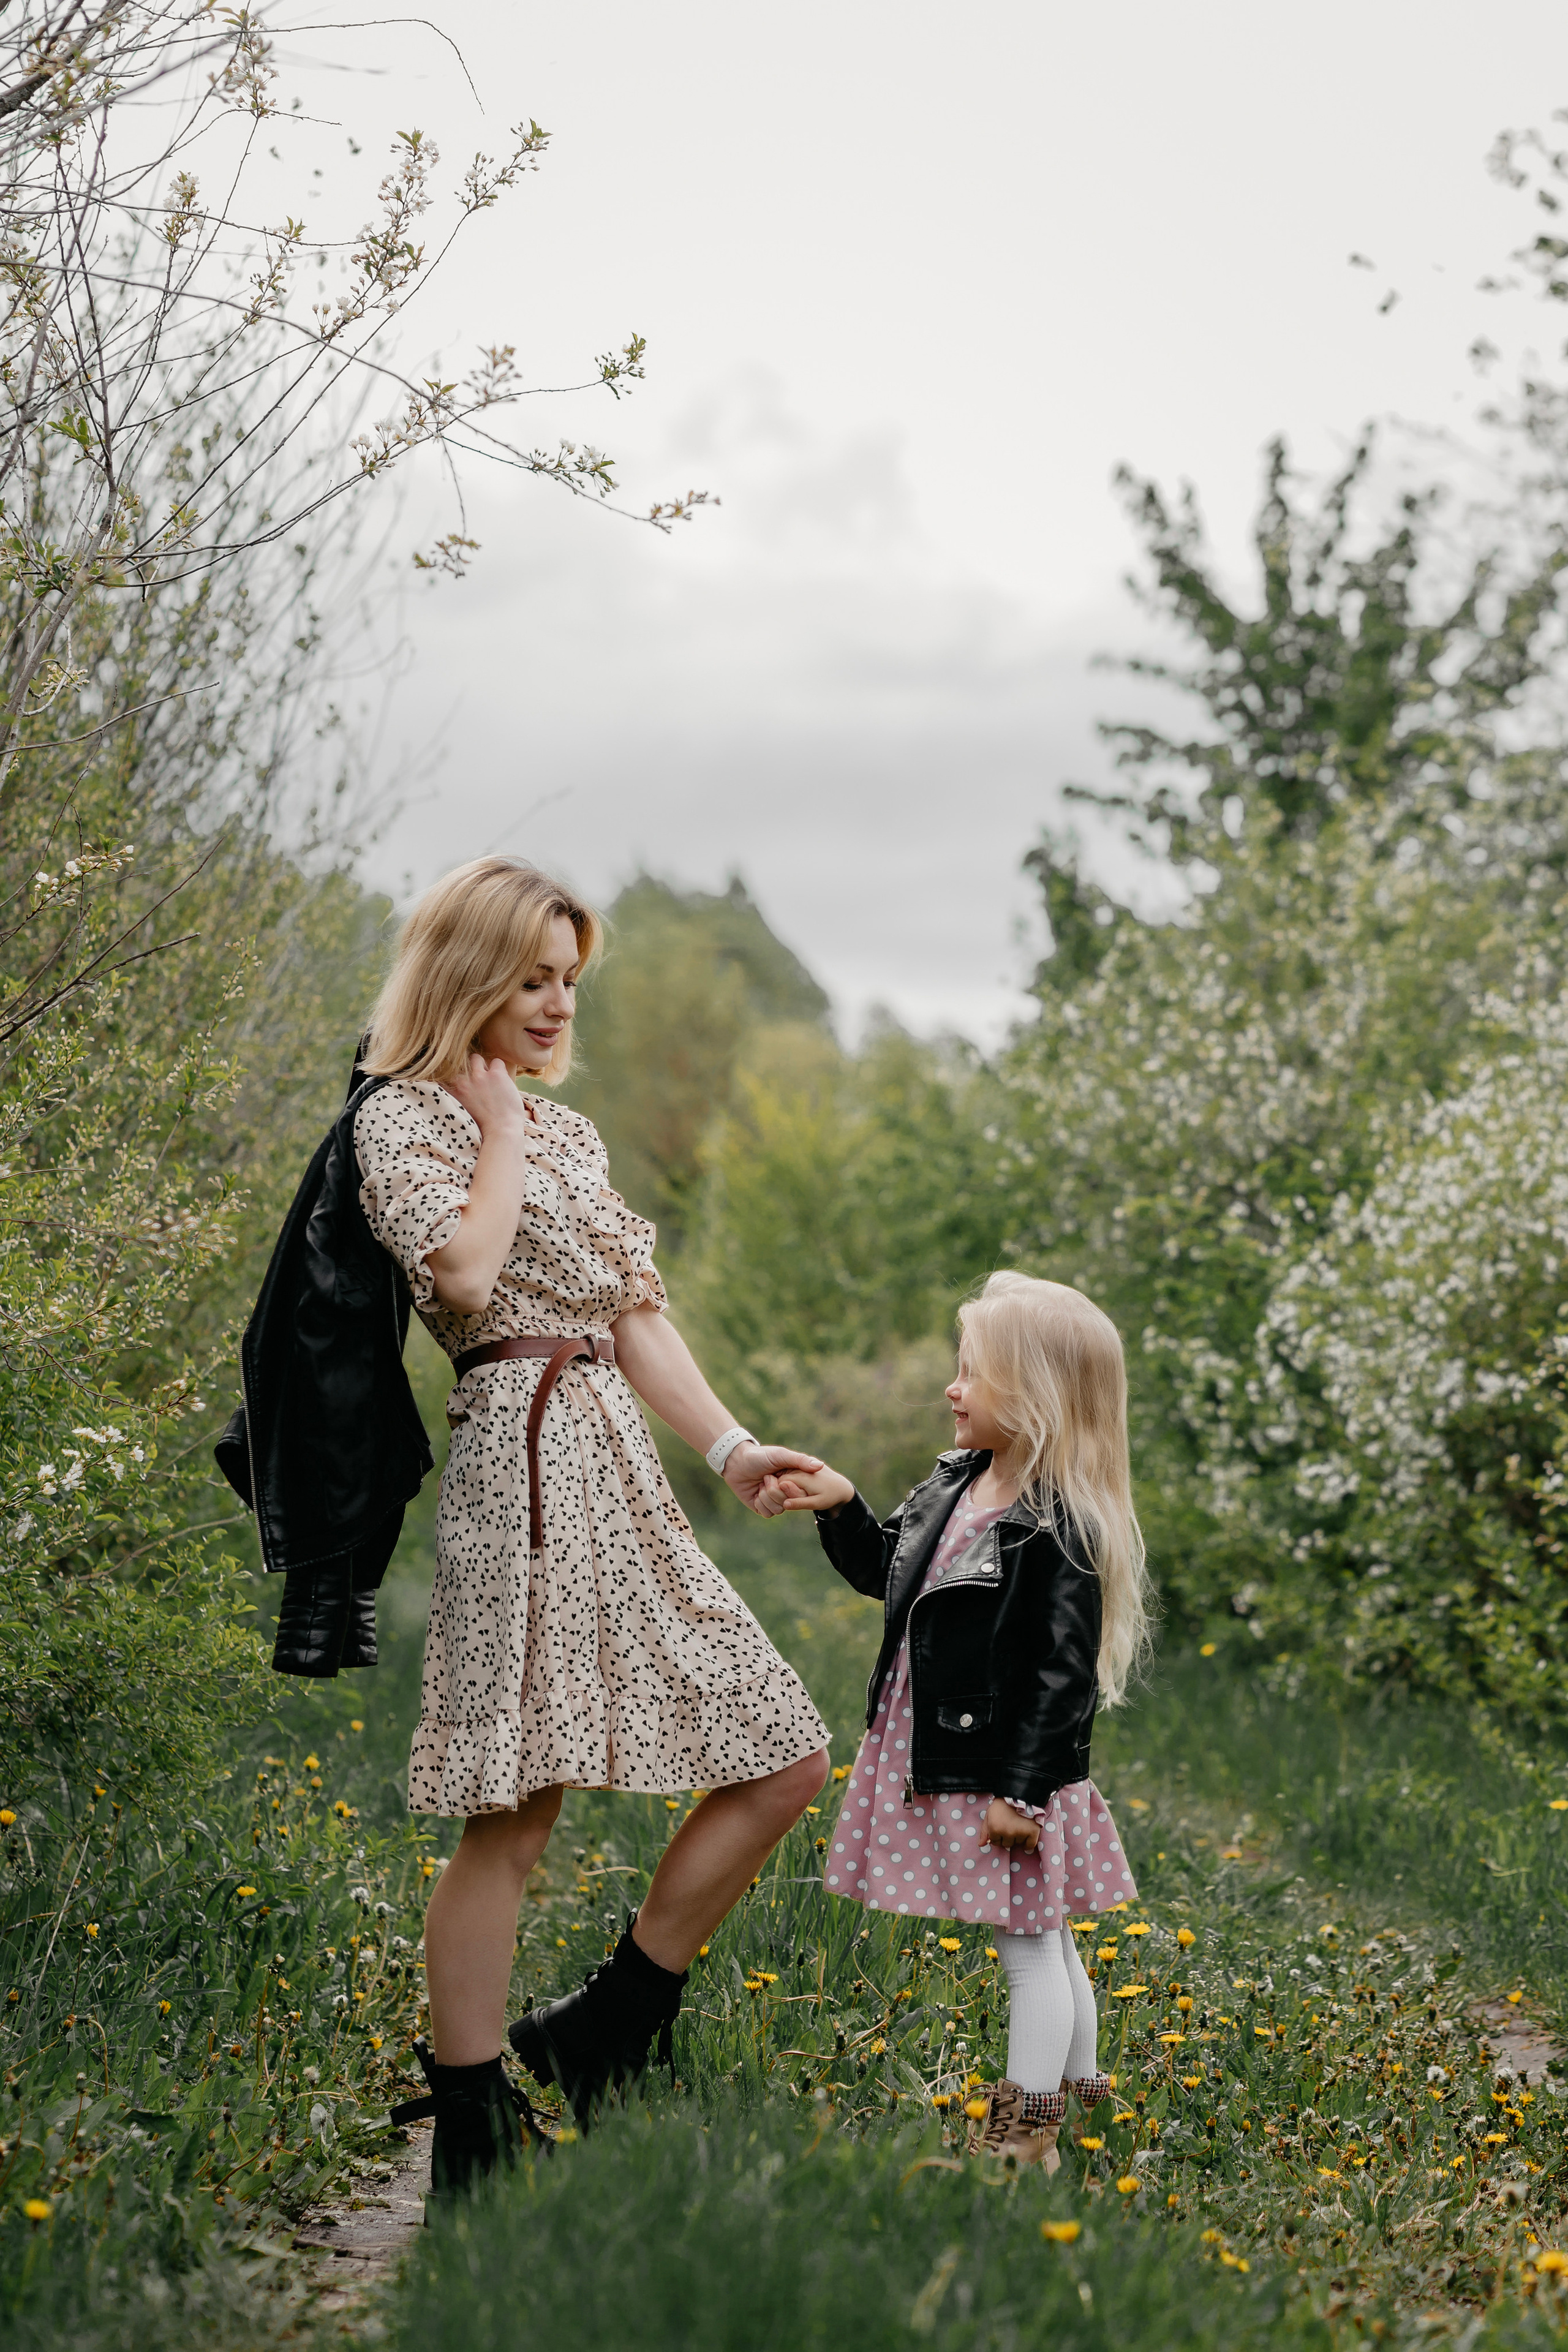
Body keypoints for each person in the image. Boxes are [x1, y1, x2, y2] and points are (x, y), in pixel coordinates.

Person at [353, 856, 830, 2192]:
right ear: (467, 977)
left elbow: (633, 1316)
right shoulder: (401, 1121)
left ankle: (611, 2020)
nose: (560, 1004)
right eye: (534, 978)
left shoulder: (570, 1135)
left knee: (784, 1748)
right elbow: (461, 1271)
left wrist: (730, 1450)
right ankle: (467, 2123)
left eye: (571, 979)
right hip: (519, 1456)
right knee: (515, 1810)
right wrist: (496, 1134)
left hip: (613, 1450)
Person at [777, 1270, 1154, 2172]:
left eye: (973, 1372)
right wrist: (841, 1505)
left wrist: (1023, 1792)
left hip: (1002, 1768)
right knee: (1048, 1934)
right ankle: (1086, 2086)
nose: (953, 1387)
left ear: (1037, 1399)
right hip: (952, 1747)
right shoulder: (958, 1482)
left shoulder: (1055, 1525)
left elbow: (1062, 1677)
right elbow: (888, 1575)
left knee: (1029, 1950)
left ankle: (1029, 2131)